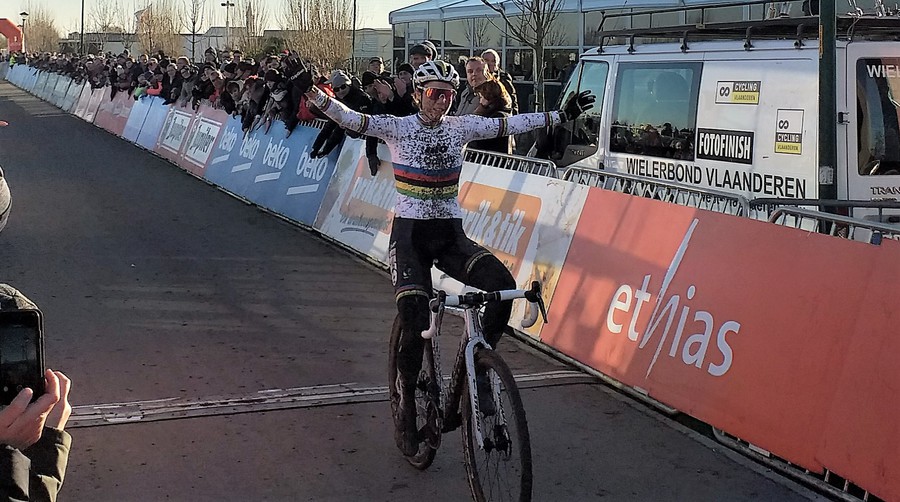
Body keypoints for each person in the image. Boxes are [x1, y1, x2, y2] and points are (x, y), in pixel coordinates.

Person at [291, 58, 594, 457]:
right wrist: (314, 94)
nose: (443, 103)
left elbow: (512, 124)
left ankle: (480, 368)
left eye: (450, 96)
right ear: (418, 95)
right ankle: (406, 404)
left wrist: (560, 115)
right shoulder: (397, 127)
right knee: (416, 317)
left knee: (501, 286)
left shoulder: (461, 127)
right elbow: (352, 119)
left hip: (450, 236)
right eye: (435, 95)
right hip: (410, 238)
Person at [468, 78, 514, 154]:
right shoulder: (503, 113)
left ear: (488, 97)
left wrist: (479, 112)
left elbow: (478, 141)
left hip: (490, 160)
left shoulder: (497, 117)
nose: (480, 101)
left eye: (481, 97)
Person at [480, 49, 518, 115]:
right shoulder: (476, 78)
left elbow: (512, 100)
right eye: (486, 60)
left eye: (493, 61)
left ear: (497, 65)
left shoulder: (503, 79)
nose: (489, 64)